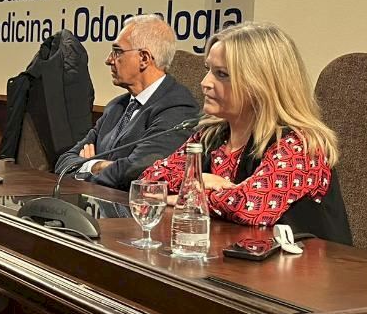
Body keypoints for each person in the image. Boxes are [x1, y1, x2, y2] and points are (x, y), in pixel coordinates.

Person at [141, 21, 352, 243]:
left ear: (261, 84)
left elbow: (249, 207)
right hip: (226, 258)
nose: (205, 83)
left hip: (305, 264)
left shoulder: (300, 145)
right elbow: (149, 182)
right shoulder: (211, 135)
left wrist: (192, 190)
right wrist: (199, 180)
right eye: (208, 70)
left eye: (222, 74)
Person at [55, 14, 199, 189]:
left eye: (117, 51)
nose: (109, 60)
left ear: (144, 58)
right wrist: (97, 166)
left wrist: (88, 165)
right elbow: (64, 162)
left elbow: (138, 173)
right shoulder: (116, 107)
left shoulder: (178, 108)